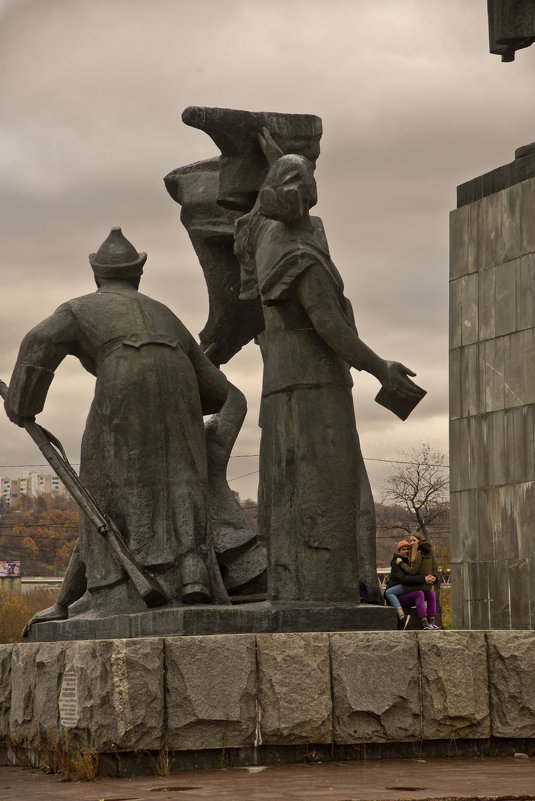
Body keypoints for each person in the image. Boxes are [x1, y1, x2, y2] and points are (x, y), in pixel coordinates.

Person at [5, 227, 249, 622]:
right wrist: (210, 449)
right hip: (181, 386)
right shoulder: (164, 313)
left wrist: (22, 404)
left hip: (122, 382)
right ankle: (191, 575)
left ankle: (99, 594)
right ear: (137, 274)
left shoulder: (79, 308)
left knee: (100, 494)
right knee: (180, 479)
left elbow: (37, 342)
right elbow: (230, 397)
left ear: (97, 274)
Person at [234, 135, 425, 604]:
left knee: (285, 489)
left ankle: (293, 586)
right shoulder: (302, 256)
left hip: (278, 383)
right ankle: (323, 592)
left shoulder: (263, 234)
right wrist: (381, 368)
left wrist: (275, 157)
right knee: (326, 491)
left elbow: (264, 214)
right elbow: (331, 327)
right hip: (317, 387)